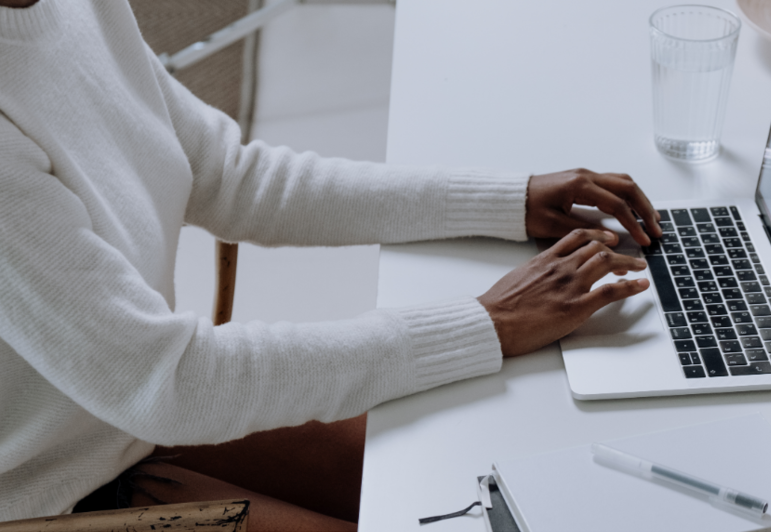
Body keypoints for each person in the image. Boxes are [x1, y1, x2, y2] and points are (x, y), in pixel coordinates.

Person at [0, 0, 661, 528]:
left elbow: (227, 174)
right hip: (52, 497)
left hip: (127, 425)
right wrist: (487, 323)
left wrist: (502, 201)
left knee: (478, 472)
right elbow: (175, 383)